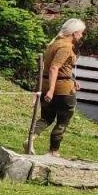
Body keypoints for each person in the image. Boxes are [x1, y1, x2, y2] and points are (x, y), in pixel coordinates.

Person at [32, 18, 86, 156]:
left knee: (46, 118)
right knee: (63, 120)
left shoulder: (53, 44)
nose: (81, 36)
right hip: (62, 90)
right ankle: (53, 151)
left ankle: (31, 138)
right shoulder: (66, 47)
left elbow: (60, 68)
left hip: (48, 84)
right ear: (74, 33)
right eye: (81, 33)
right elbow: (54, 68)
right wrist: (51, 90)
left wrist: (72, 79)